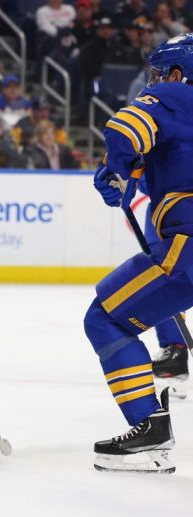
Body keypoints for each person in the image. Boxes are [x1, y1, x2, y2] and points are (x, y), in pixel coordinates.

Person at [88, 34, 193, 473]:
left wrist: (118, 168)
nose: (153, 82)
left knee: (104, 317)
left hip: (188, 247)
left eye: (159, 74)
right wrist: (128, 174)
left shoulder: (174, 94)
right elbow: (171, 162)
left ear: (177, 74)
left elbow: (123, 130)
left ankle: (149, 429)